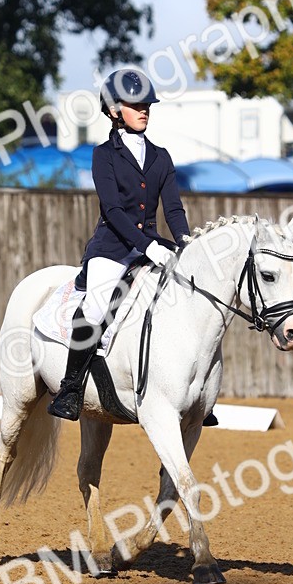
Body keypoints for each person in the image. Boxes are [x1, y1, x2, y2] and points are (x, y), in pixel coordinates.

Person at [47, 67, 191, 420]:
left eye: (147, 105)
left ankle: (194, 392)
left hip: (153, 244)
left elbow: (172, 207)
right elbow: (112, 209)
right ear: (114, 111)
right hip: (112, 248)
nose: (144, 109)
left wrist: (186, 244)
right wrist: (147, 245)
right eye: (135, 104)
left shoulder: (161, 156)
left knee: (187, 298)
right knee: (96, 306)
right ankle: (70, 388)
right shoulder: (103, 155)